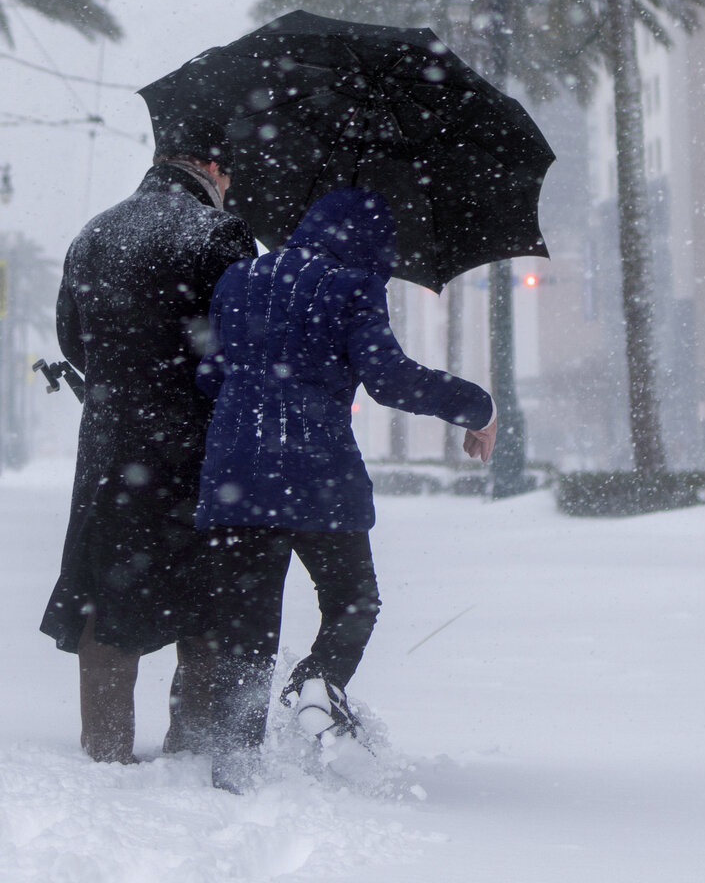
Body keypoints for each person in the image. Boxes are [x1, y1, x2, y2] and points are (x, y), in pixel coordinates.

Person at [193, 186, 497, 791]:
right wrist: (475, 406)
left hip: (237, 476)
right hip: (318, 475)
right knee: (353, 599)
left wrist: (249, 410)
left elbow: (208, 374)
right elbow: (387, 380)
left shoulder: (237, 278)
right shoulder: (351, 286)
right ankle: (316, 686)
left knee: (247, 627)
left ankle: (233, 763)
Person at [40, 119, 257, 763]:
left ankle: (105, 751)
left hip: (112, 449)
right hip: (198, 448)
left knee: (111, 602)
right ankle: (191, 751)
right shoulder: (219, 234)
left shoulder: (94, 233)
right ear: (213, 169)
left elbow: (71, 341)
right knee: (206, 601)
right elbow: (242, 343)